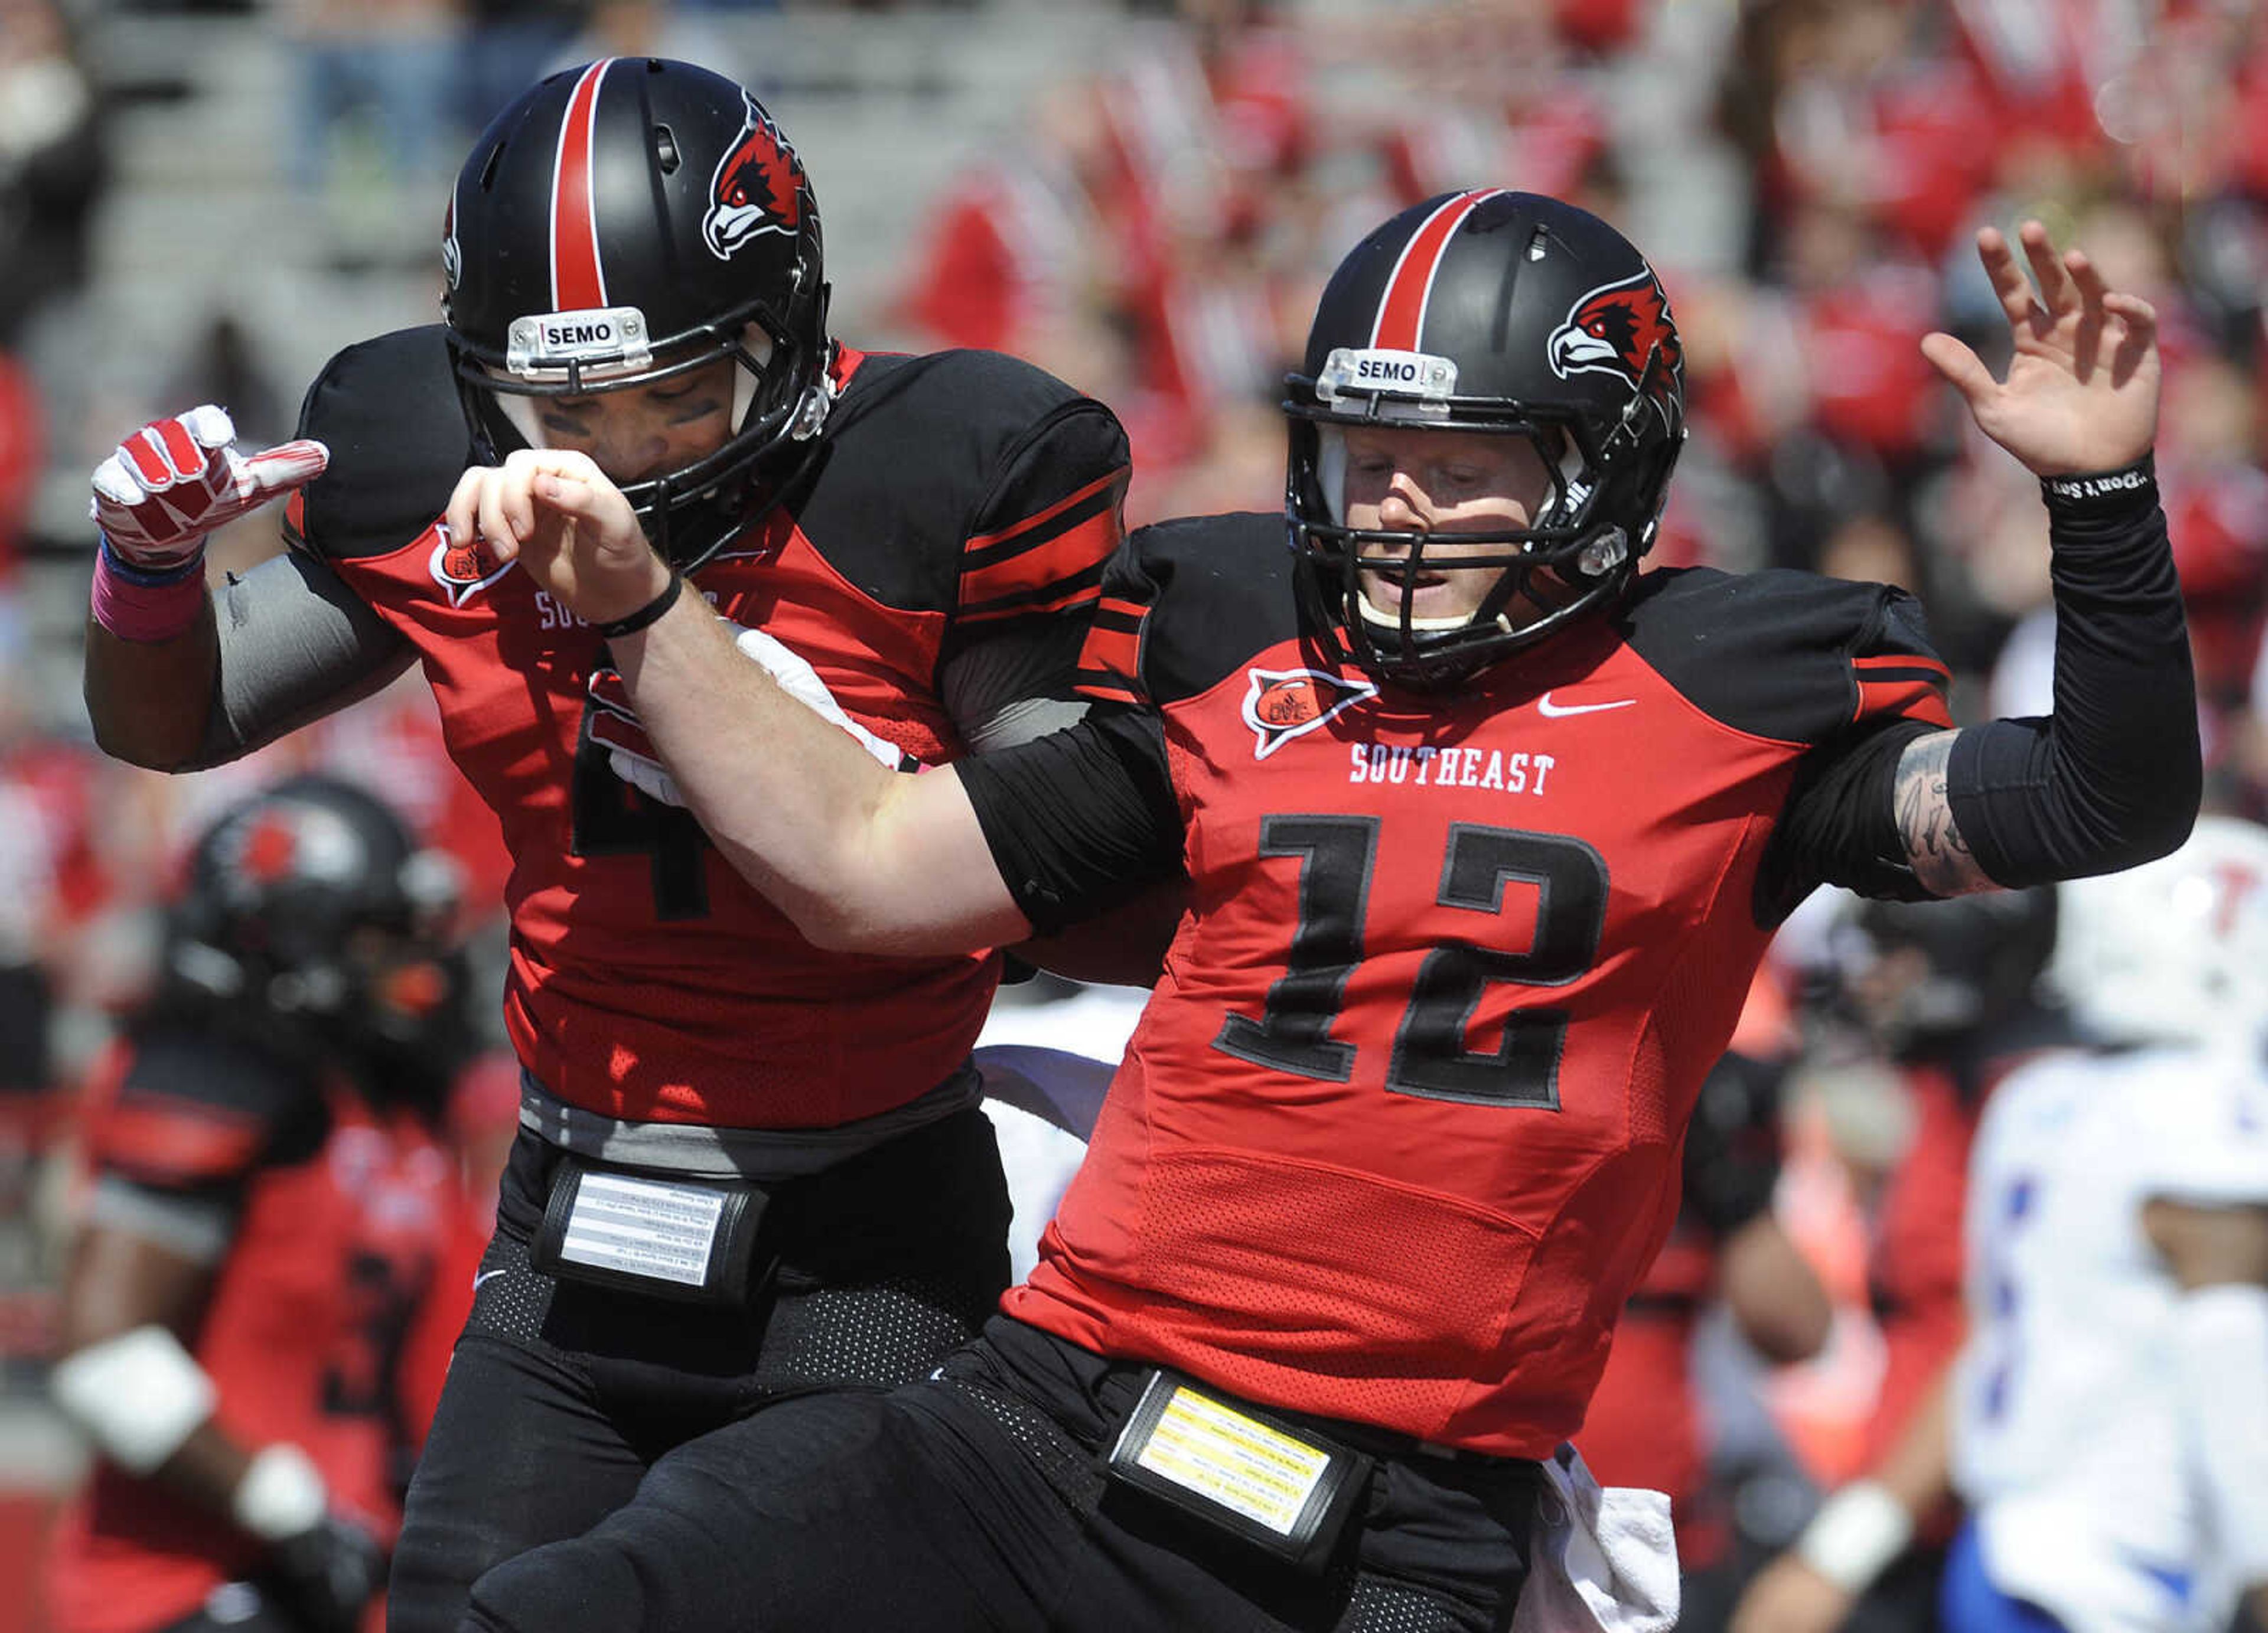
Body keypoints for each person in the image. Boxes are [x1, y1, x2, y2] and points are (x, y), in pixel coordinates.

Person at [454, 190, 2194, 1632]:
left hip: (1393, 1522)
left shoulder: (1736, 692)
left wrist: (2098, 504)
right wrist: (643, 605)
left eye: (1464, 459)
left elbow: (2095, 799)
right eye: (1364, 451)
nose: (1399, 504)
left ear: (1606, 460)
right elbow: (858, 864)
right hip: (1040, 1431)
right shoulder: (1228, 642)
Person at [77, 57, 1135, 1633]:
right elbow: (186, 714)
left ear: (787, 333)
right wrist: (149, 579)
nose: (622, 452)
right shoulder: (419, 467)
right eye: (566, 408)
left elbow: (1060, 882)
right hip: (570, 1223)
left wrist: (740, 710)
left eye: (673, 392)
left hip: (862, 1234)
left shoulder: (948, 481)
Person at [1738, 816, 2268, 1633]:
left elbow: (1982, 1349)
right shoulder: (2201, 1112)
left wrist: (1839, 1552)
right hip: (2120, 1576)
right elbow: (2229, 1361)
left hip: (2005, 1550)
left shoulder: (2038, 1102)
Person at [44, 774, 480, 1633]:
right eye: (376, 935)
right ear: (285, 935)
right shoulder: (219, 1077)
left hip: (342, 1570)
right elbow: (104, 1352)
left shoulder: (385, 1113)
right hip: (189, 1590)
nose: (413, 967)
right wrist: (290, 1508)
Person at [1731, 886, 2065, 1633]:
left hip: (1971, 1536)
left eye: (1896, 950)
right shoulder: (1946, 1084)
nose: (1868, 975)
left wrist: (1844, 1549)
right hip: (1905, 1510)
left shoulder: (2031, 1101)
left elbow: (1997, 1340)